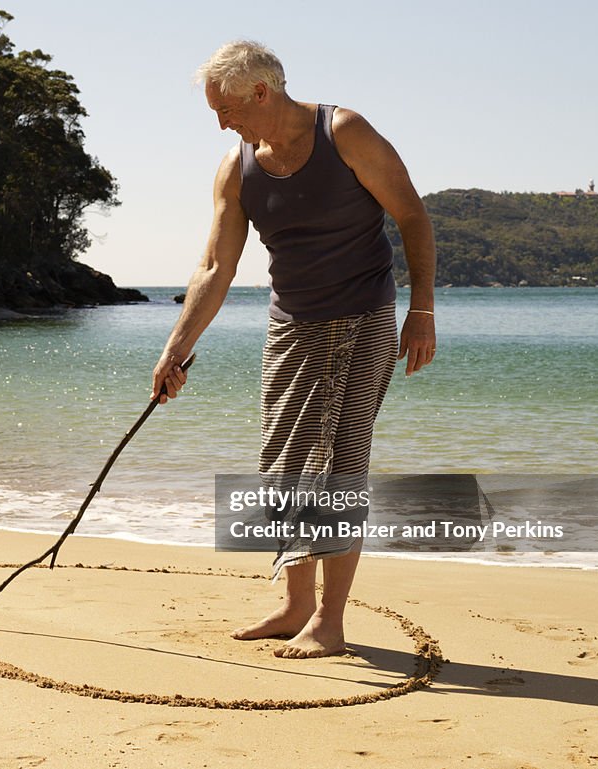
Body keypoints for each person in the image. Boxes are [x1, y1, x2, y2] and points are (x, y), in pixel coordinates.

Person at [151, 40, 436, 659]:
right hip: (291, 325)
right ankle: (295, 605)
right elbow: (215, 266)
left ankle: (330, 623)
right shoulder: (238, 166)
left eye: (226, 108)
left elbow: (412, 216)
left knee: (336, 464)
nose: (221, 123)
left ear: (261, 92)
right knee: (281, 464)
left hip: (362, 318)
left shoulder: (346, 133)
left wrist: (422, 310)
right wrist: (175, 350)